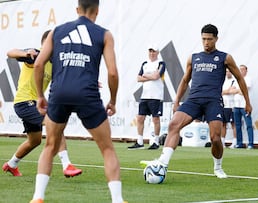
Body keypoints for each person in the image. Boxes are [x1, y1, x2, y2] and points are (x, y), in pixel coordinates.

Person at [29, 0, 125, 202]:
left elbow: (38, 65)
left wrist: (40, 96)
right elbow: (113, 73)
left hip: (59, 93)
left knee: (50, 146)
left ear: (77, 9)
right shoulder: (104, 34)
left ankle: (38, 197)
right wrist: (113, 101)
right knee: (107, 148)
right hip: (87, 94)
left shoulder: (57, 31)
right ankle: (117, 200)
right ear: (97, 11)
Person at [141, 24, 252, 179]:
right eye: (203, 39)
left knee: (215, 137)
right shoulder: (194, 58)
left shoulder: (225, 57)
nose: (206, 42)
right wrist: (177, 100)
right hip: (193, 100)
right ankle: (162, 164)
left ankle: (218, 167)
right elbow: (185, 80)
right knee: (173, 125)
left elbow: (240, 78)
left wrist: (247, 102)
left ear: (216, 39)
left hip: (213, 101)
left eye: (209, 39)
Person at [2, 30, 82, 178]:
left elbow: (69, 77)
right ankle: (67, 165)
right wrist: (25, 54)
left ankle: (11, 164)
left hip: (33, 104)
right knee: (55, 125)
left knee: (35, 141)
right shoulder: (35, 56)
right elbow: (10, 52)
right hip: (24, 102)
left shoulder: (55, 64)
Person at [128, 45, 165, 150]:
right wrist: (150, 76)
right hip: (145, 95)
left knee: (155, 119)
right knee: (140, 118)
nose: (152, 53)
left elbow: (156, 76)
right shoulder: (145, 64)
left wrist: (146, 76)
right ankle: (140, 142)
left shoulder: (161, 63)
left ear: (157, 52)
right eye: (150, 51)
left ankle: (156, 142)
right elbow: (138, 78)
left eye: (154, 51)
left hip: (156, 96)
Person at [233, 65, 254, 149]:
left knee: (248, 125)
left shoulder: (248, 79)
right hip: (236, 105)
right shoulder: (236, 80)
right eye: (240, 69)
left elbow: (244, 91)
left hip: (244, 105)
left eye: (243, 69)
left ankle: (250, 143)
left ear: (246, 70)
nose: (241, 71)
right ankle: (239, 143)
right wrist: (238, 90)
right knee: (237, 125)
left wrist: (237, 90)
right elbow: (231, 90)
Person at [221, 69, 237, 148]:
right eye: (226, 71)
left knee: (233, 124)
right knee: (223, 124)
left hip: (231, 105)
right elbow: (220, 91)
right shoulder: (223, 80)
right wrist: (226, 91)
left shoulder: (234, 81)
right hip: (223, 105)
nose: (228, 73)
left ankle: (234, 142)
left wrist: (226, 91)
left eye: (229, 71)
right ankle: (222, 142)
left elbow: (232, 91)